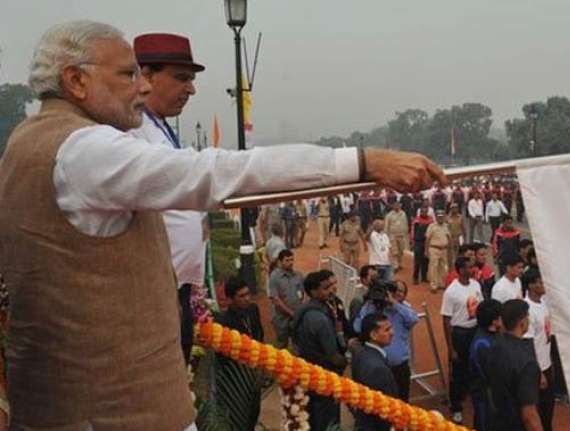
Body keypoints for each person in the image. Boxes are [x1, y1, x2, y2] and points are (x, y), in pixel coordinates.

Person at [0, 20, 446, 430]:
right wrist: (362, 162)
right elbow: (218, 171)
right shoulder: (84, 150)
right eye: (128, 74)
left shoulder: (30, 140)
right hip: (117, 408)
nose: (141, 87)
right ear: (76, 80)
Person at [129, 32, 206, 365]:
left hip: (177, 286)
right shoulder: (130, 129)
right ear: (146, 76)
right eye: (181, 78)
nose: (191, 89)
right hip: (153, 292)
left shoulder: (157, 125)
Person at [293, 271, 347, 430]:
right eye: (325, 288)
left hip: (309, 372)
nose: (330, 290)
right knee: (327, 418)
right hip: (324, 375)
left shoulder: (304, 310)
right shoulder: (320, 319)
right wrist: (345, 363)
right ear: (313, 291)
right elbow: (332, 355)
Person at [353, 280, 419, 402]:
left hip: (399, 368)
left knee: (401, 403)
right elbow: (357, 327)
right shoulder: (370, 308)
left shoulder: (401, 309)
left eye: (401, 291)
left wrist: (394, 303)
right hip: (376, 366)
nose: (398, 293)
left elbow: (414, 319)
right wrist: (370, 305)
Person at [215, 276, 264, 430]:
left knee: (254, 411)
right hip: (236, 378)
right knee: (239, 417)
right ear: (230, 299)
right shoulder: (224, 321)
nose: (247, 298)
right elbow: (222, 356)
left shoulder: (253, 310)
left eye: (248, 294)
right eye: (241, 296)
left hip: (254, 371)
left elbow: (259, 335)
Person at [486, 300, 543, 431]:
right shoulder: (527, 362)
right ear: (522, 323)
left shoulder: (494, 346)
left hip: (497, 421)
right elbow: (529, 415)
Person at [440, 256, 483, 424]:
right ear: (461, 270)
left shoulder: (476, 285)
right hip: (460, 334)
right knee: (458, 371)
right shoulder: (451, 291)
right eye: (470, 267)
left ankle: (471, 396)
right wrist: (451, 348)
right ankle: (456, 407)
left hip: (475, 330)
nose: (473, 269)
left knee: (475, 367)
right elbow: (446, 320)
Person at [351, 313, 399, 431]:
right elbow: (383, 409)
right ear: (373, 335)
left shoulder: (360, 354)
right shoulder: (377, 369)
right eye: (387, 330)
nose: (392, 332)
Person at [523, 268, 554, 431]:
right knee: (538, 410)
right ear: (531, 285)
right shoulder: (528, 309)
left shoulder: (543, 303)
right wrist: (539, 372)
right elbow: (528, 344)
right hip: (536, 369)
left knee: (548, 408)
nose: (544, 285)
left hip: (546, 364)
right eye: (540, 282)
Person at [469, 299, 503, 431]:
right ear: (494, 321)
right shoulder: (482, 344)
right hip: (485, 396)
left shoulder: (493, 335)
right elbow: (492, 374)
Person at [268, 249, 304, 348]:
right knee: (281, 344)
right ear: (280, 262)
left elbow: (303, 294)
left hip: (296, 317)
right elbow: (275, 299)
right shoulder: (274, 277)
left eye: (292, 260)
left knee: (298, 343)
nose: (290, 262)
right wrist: (291, 313)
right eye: (287, 260)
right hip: (281, 318)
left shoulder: (298, 275)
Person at [426, 209, 451, 293]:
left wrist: (450, 248)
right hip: (434, 249)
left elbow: (449, 237)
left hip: (444, 249)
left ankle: (441, 283)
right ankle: (433, 285)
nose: (440, 218)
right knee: (434, 267)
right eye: (439, 217)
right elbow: (428, 239)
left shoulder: (446, 226)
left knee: (443, 268)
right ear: (436, 217)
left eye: (442, 217)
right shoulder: (431, 226)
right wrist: (426, 250)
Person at [411, 206, 434, 285]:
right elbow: (413, 231)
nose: (424, 213)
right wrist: (412, 241)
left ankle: (424, 277)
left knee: (426, 260)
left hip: (427, 242)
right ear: (420, 212)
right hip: (418, 242)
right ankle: (415, 278)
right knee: (417, 261)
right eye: (422, 211)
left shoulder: (430, 220)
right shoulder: (416, 220)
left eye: (425, 211)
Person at [385, 201, 410, 272]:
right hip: (393, 235)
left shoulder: (403, 214)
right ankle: (395, 266)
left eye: (398, 205)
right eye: (395, 205)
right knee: (394, 251)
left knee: (401, 250)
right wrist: (386, 236)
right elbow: (386, 226)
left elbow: (406, 223)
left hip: (401, 235)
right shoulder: (389, 215)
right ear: (393, 206)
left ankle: (399, 263)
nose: (396, 207)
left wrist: (406, 234)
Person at [446, 203, 466, 269]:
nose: (454, 209)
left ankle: (458, 268)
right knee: (450, 254)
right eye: (453, 208)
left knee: (459, 254)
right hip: (451, 238)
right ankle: (451, 268)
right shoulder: (447, 218)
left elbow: (463, 228)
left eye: (456, 208)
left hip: (459, 237)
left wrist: (464, 238)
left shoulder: (460, 217)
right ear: (450, 209)